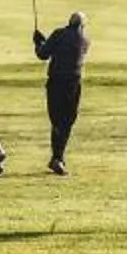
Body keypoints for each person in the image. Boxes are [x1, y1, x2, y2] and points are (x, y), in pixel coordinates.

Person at [31, 9, 88, 174]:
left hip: (56, 82)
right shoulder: (85, 40)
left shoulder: (59, 34)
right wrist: (42, 43)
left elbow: (43, 54)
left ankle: (57, 158)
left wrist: (38, 42)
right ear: (82, 26)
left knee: (57, 121)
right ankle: (57, 158)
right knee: (66, 121)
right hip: (73, 85)